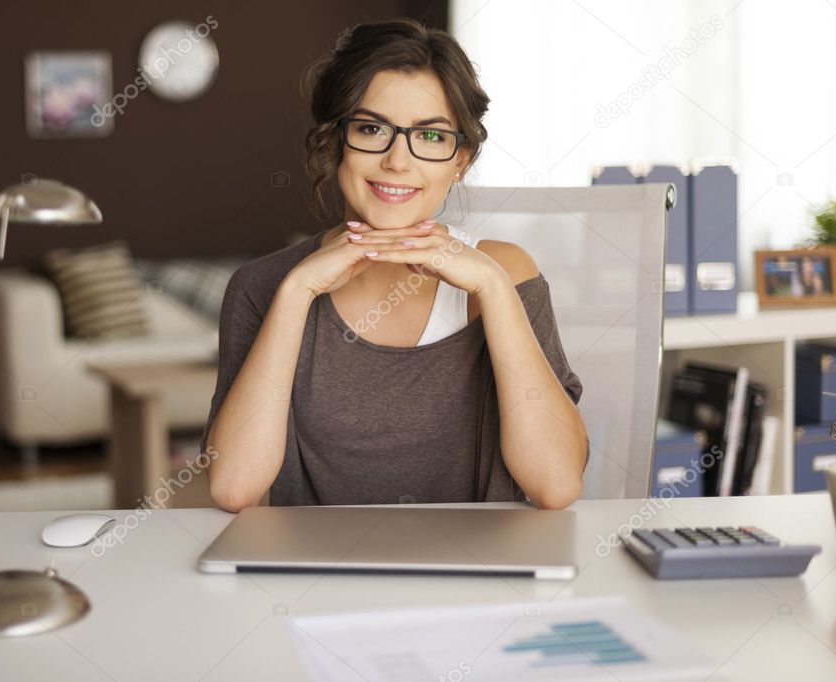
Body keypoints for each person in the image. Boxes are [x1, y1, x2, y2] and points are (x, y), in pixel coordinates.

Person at [200, 18, 589, 512]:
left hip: (479, 576)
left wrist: (491, 287)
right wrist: (296, 293)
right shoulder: (264, 286)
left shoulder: (504, 272)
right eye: (371, 129)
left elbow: (555, 485)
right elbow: (233, 488)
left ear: (460, 161)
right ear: (334, 143)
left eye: (430, 137)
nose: (397, 162)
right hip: (315, 580)